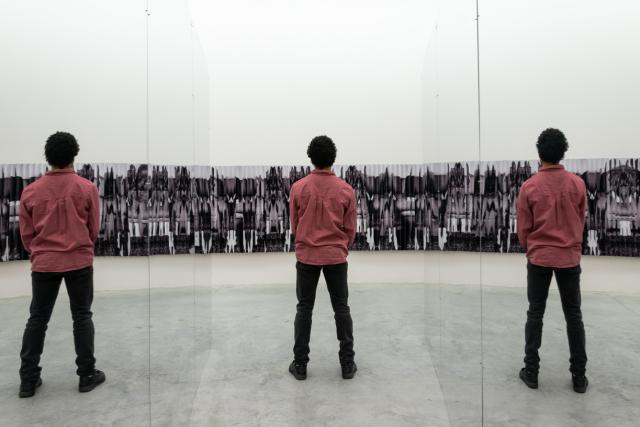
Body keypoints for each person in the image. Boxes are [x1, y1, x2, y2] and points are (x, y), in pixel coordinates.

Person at [18, 132, 105, 398]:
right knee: (82, 316)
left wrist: (42, 251)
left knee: (37, 319)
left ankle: (28, 381)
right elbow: (94, 230)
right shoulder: (86, 188)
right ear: (73, 156)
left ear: (48, 157)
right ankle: (87, 375)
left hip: (44, 262)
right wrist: (78, 245)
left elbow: (26, 235)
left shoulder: (30, 191)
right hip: (78, 260)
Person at [517, 128, 588, 393]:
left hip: (540, 257)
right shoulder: (577, 184)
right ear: (563, 153)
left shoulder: (530, 186)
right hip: (569, 256)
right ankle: (579, 377)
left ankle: (531, 371)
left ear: (539, 153)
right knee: (574, 315)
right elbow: (580, 220)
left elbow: (523, 227)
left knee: (535, 312)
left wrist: (531, 248)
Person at [288, 135, 357, 381]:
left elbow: (295, 226)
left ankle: (300, 365)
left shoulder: (298, 188)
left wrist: (307, 241)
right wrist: (338, 247)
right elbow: (350, 229)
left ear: (311, 158)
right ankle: (347, 364)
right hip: (336, 256)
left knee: (304, 309)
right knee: (342, 308)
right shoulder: (346, 190)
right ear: (333, 159)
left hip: (307, 255)